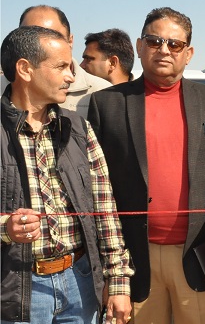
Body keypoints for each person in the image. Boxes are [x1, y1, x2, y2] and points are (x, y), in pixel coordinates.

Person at [87, 7, 205, 324]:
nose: (164, 50)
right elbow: (95, 189)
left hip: (196, 254)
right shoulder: (106, 104)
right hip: (133, 260)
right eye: (155, 41)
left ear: (188, 53)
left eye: (175, 44)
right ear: (140, 46)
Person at [0, 25, 134, 324]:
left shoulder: (77, 128)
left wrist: (118, 282)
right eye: (61, 66)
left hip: (80, 283)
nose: (71, 76)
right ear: (25, 69)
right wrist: (5, 228)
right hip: (16, 290)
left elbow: (105, 210)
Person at [4, 5, 113, 115]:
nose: (41, 41)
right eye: (30, 35)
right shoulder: (2, 86)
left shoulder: (102, 93)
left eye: (53, 35)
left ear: (70, 41)